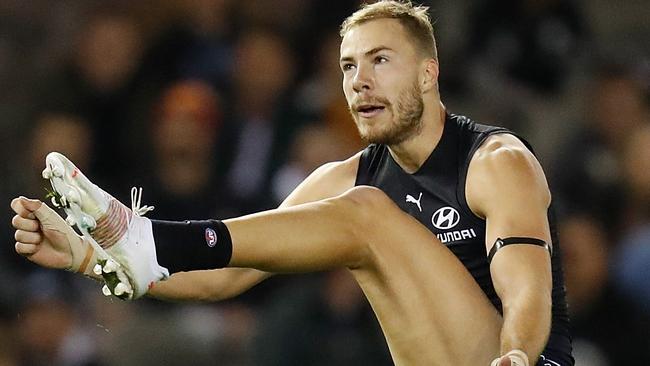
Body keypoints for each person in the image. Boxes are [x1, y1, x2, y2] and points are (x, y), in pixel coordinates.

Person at [10, 1, 572, 365]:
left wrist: (517, 355)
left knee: (369, 213)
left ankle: (150, 235)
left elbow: (527, 289)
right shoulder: (347, 179)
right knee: (362, 207)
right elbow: (219, 280)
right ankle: (142, 240)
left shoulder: (495, 161)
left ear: (429, 73)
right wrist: (88, 255)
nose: (361, 81)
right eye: (348, 67)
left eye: (380, 60)